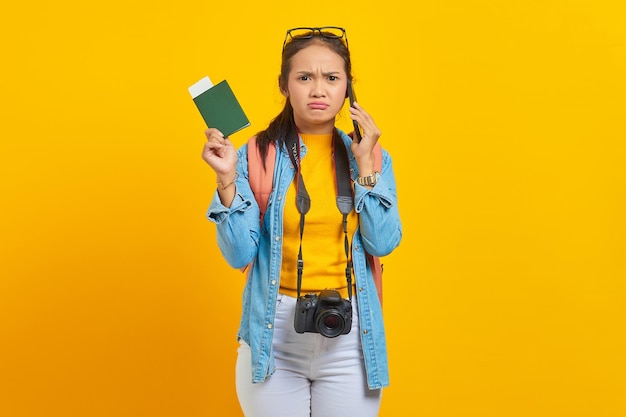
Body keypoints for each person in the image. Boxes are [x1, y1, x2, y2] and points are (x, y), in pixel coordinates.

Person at [201, 26, 402, 417]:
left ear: (348, 88)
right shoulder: (255, 155)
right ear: (284, 85)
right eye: (304, 77)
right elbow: (239, 252)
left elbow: (383, 243)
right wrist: (226, 178)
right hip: (272, 332)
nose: (318, 90)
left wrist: (364, 167)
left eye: (331, 78)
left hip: (350, 333)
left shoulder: (373, 158)